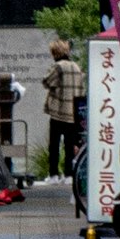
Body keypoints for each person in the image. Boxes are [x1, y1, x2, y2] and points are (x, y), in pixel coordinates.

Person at [44, 38, 80, 178]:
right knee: (69, 145)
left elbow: (47, 82)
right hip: (72, 111)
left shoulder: (58, 67)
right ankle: (69, 174)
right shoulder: (76, 67)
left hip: (58, 111)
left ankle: (53, 174)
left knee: (54, 145)